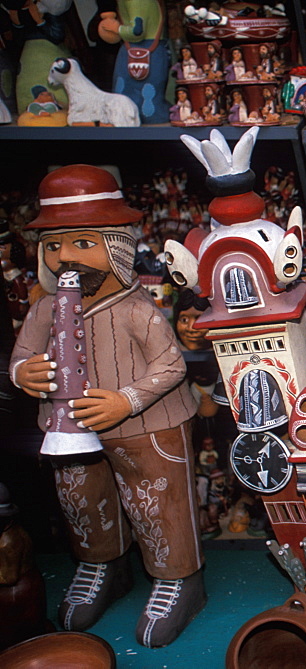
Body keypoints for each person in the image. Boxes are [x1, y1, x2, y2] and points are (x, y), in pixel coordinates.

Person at [10, 166, 201, 647]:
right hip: (68, 426)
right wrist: (23, 373)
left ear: (116, 247)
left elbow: (171, 366)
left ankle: (178, 578)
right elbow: (22, 355)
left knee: (157, 501)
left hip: (147, 425)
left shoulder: (137, 309)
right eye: (53, 246)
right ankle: (102, 567)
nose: (64, 259)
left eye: (81, 243)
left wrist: (126, 400)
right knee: (81, 501)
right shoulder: (44, 309)